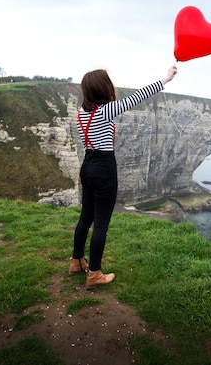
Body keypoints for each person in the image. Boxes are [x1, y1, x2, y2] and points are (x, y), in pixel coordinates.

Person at [69, 65, 178, 289]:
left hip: (87, 166)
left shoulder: (82, 113)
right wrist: (165, 79)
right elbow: (138, 97)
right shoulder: (105, 111)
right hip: (103, 169)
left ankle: (76, 261)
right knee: (101, 224)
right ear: (103, 87)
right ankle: (94, 273)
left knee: (85, 218)